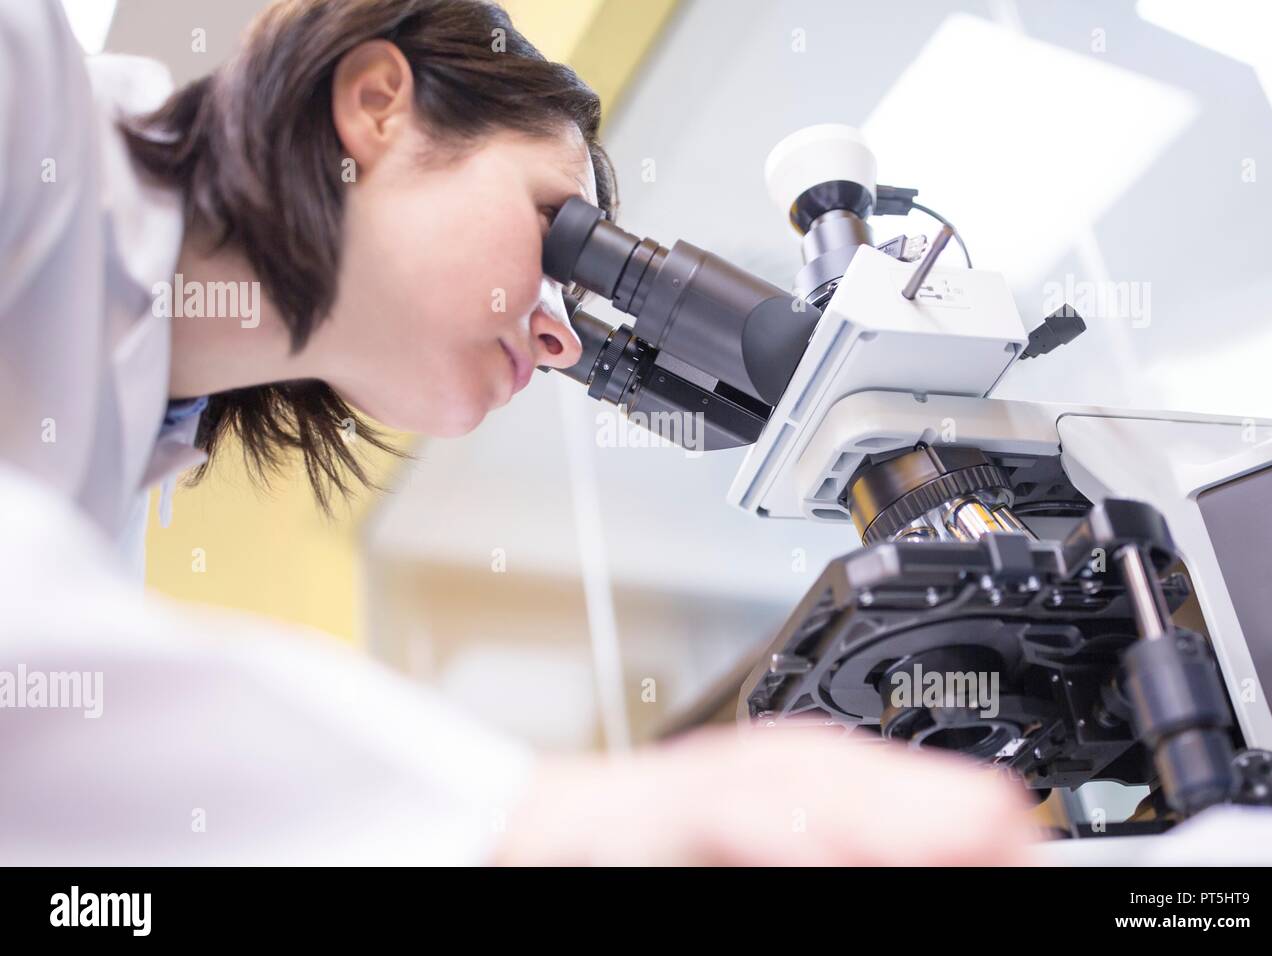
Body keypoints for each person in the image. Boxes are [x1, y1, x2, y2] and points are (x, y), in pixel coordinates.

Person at [0, 0, 1038, 865]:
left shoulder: (116, 474)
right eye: (558, 231)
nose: (556, 332)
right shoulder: (24, 80)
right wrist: (540, 815)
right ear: (377, 108)